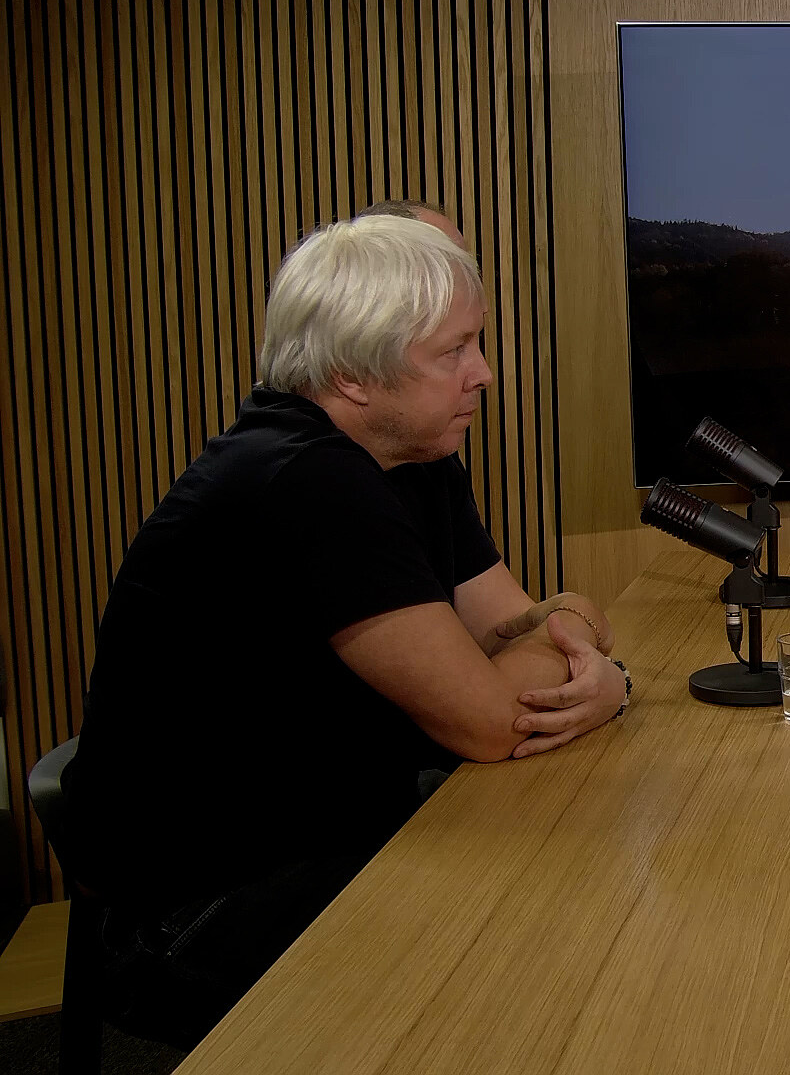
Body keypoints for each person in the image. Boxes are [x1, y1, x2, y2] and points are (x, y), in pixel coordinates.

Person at [59, 214, 628, 1049]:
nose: (484, 373)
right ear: (353, 375)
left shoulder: (403, 458)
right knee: (559, 952)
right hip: (199, 907)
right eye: (454, 352)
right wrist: (575, 626)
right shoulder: (305, 477)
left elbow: (504, 634)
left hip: (323, 832)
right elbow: (495, 717)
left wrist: (561, 635)